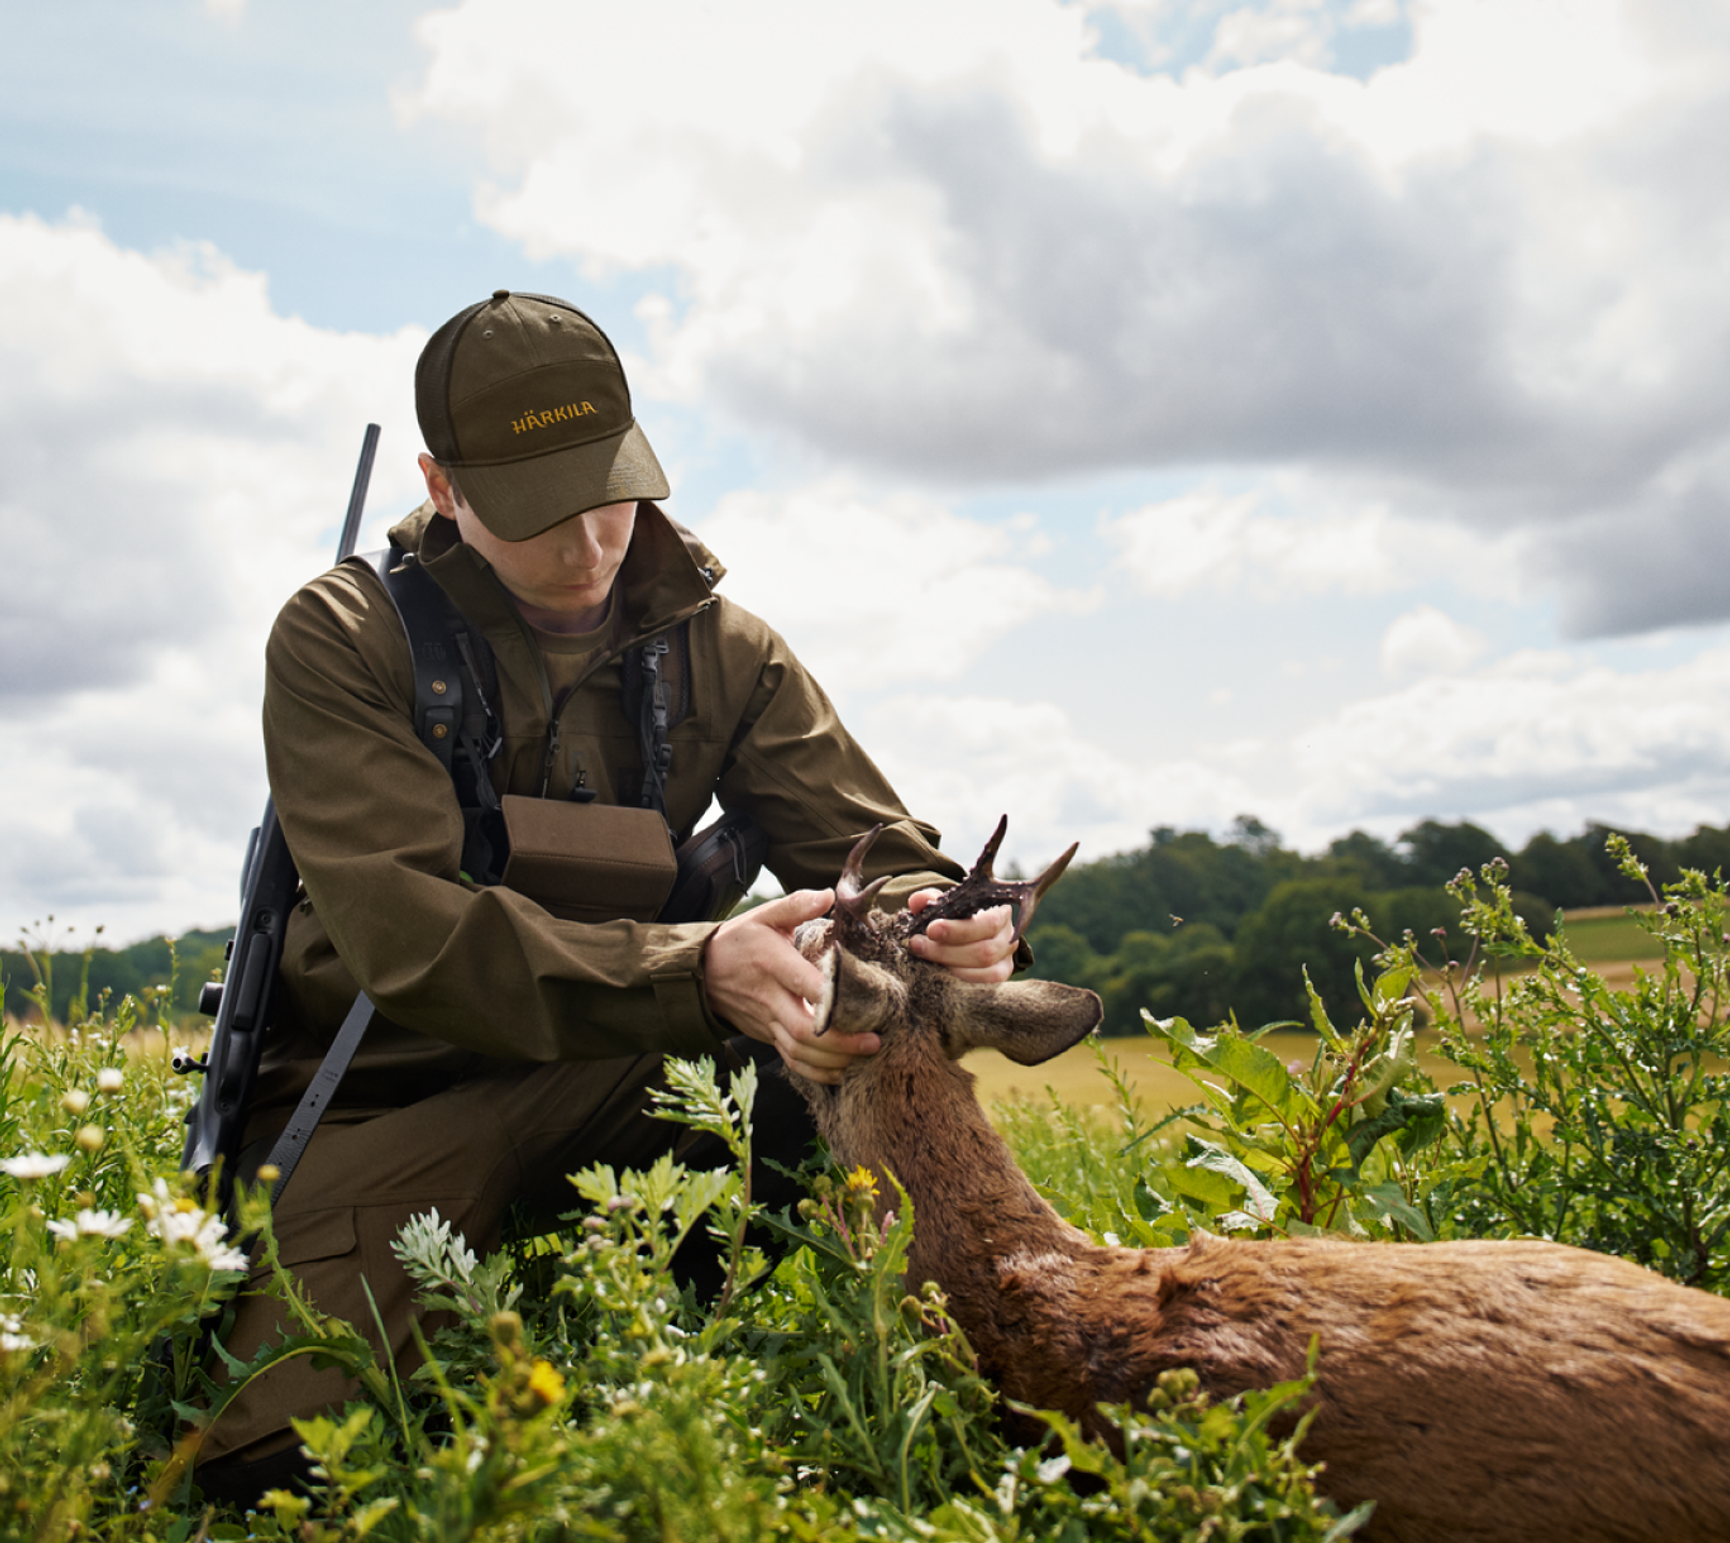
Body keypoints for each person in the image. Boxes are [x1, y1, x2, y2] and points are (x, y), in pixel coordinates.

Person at [194, 289, 1019, 1504]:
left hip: (625, 1073)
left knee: (847, 1042)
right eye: (539, 511)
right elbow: (409, 939)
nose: (588, 549)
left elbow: (871, 848)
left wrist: (942, 919)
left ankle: (840, 1348)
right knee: (282, 1475)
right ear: (442, 487)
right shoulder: (344, 637)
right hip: (388, 1099)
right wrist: (696, 969)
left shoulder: (725, 648)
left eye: (611, 496)